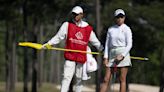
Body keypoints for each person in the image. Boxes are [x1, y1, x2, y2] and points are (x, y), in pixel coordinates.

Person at [42, 6, 102, 92]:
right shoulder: (67, 25)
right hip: (70, 56)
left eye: (77, 14)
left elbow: (95, 41)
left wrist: (102, 50)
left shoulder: (87, 28)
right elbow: (58, 37)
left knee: (79, 78)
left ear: (81, 15)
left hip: (81, 57)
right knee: (66, 77)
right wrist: (48, 44)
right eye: (73, 14)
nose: (75, 16)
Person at [100, 9, 133, 92]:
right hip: (112, 54)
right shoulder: (111, 29)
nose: (120, 19)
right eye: (118, 17)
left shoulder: (127, 29)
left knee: (122, 79)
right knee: (106, 79)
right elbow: (107, 44)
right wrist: (105, 57)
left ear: (124, 18)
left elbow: (129, 44)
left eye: (121, 17)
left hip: (123, 54)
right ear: (115, 18)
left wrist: (122, 55)